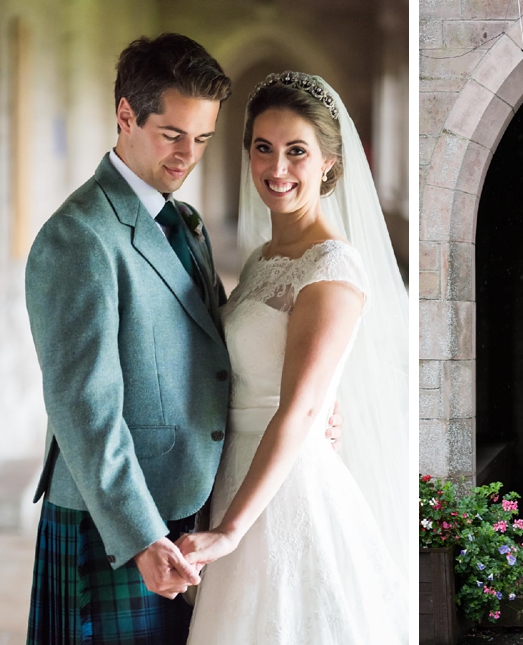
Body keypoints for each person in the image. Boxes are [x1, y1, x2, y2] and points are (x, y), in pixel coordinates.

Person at [23, 35, 341, 644]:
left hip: (188, 503)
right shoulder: (79, 237)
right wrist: (140, 535)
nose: (187, 156)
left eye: (202, 139)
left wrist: (310, 396)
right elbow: (83, 408)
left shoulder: (183, 220)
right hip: (113, 520)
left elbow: (217, 351)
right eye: (172, 135)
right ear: (125, 116)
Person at [177, 72, 408, 644]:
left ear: (329, 161)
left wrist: (230, 532)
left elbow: (301, 410)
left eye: (296, 152)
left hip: (287, 493)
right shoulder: (261, 259)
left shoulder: (333, 267)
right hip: (234, 476)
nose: (276, 169)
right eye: (263, 148)